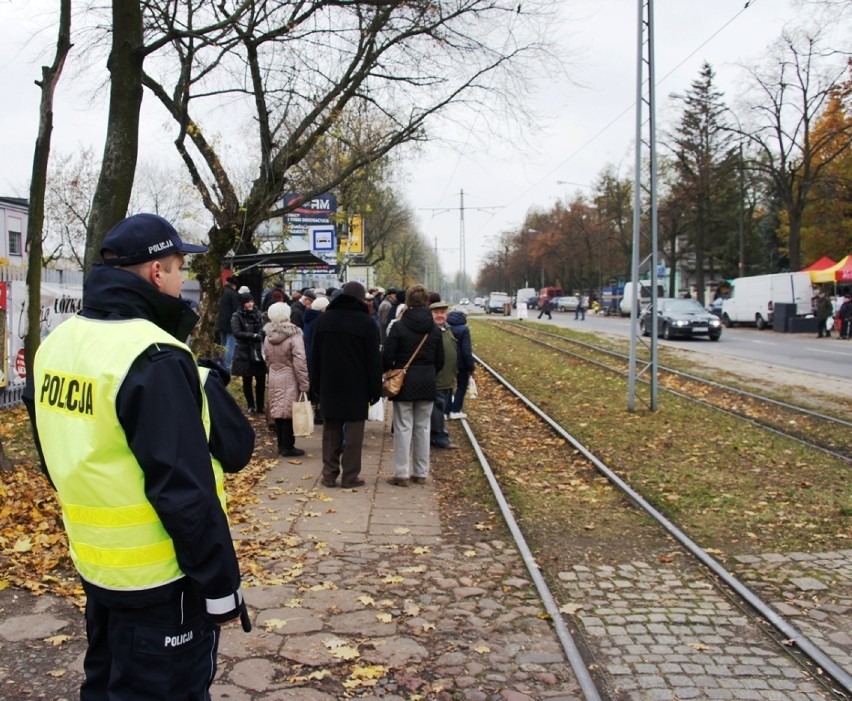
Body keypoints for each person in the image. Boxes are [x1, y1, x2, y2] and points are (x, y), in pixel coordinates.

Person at [24, 212, 254, 701]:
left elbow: (54, 453)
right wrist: (219, 584)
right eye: (178, 268)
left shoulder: (57, 344)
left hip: (97, 566)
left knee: (106, 685)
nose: (182, 279)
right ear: (156, 273)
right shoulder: (153, 355)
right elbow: (184, 489)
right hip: (164, 580)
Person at [312, 281, 383, 488]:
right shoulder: (367, 323)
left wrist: (316, 385)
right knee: (354, 433)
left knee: (330, 431)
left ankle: (329, 474)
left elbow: (314, 356)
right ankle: (350, 476)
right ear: (361, 299)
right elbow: (373, 361)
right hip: (356, 387)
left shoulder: (324, 320)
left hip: (329, 384)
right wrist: (374, 390)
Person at [383, 285, 443, 486]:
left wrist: (390, 370)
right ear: (427, 302)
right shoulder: (434, 328)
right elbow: (440, 359)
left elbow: (388, 357)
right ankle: (420, 472)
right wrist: (430, 372)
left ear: (407, 302)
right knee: (423, 428)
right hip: (427, 381)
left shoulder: (399, 326)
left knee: (402, 427)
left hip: (404, 382)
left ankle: (401, 473)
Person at [264, 302, 311, 457]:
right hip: (289, 375)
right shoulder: (295, 335)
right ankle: (288, 446)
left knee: (278, 410)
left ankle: (281, 445)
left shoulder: (268, 335)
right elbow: (300, 359)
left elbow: (267, 358)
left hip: (274, 373)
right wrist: (304, 382)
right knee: (289, 411)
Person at [429, 299, 459, 449]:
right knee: (437, 409)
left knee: (441, 408)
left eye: (442, 312)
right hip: (438, 379)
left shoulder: (447, 329)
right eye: (436, 313)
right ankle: (439, 437)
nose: (440, 315)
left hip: (447, 378)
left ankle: (437, 434)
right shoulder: (431, 331)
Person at [231, 292, 267, 413]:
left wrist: (260, 334)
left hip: (258, 350)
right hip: (244, 351)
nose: (250, 304)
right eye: (247, 301)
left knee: (261, 378)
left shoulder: (258, 313)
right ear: (243, 303)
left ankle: (260, 405)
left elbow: (263, 328)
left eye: (251, 301)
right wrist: (253, 335)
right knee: (247, 379)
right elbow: (237, 332)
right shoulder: (237, 316)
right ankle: (251, 405)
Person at [447, 307, 475, 420]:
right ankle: (455, 410)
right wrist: (471, 366)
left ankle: (445, 410)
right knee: (462, 385)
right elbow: (466, 350)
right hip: (461, 363)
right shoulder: (464, 329)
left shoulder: (446, 327)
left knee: (448, 385)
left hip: (448, 361)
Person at [216, 275, 241, 370]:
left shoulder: (221, 293)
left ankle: (221, 365)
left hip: (221, 323)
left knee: (223, 345)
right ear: (234, 285)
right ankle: (227, 367)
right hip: (230, 324)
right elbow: (236, 310)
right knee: (230, 346)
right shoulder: (234, 294)